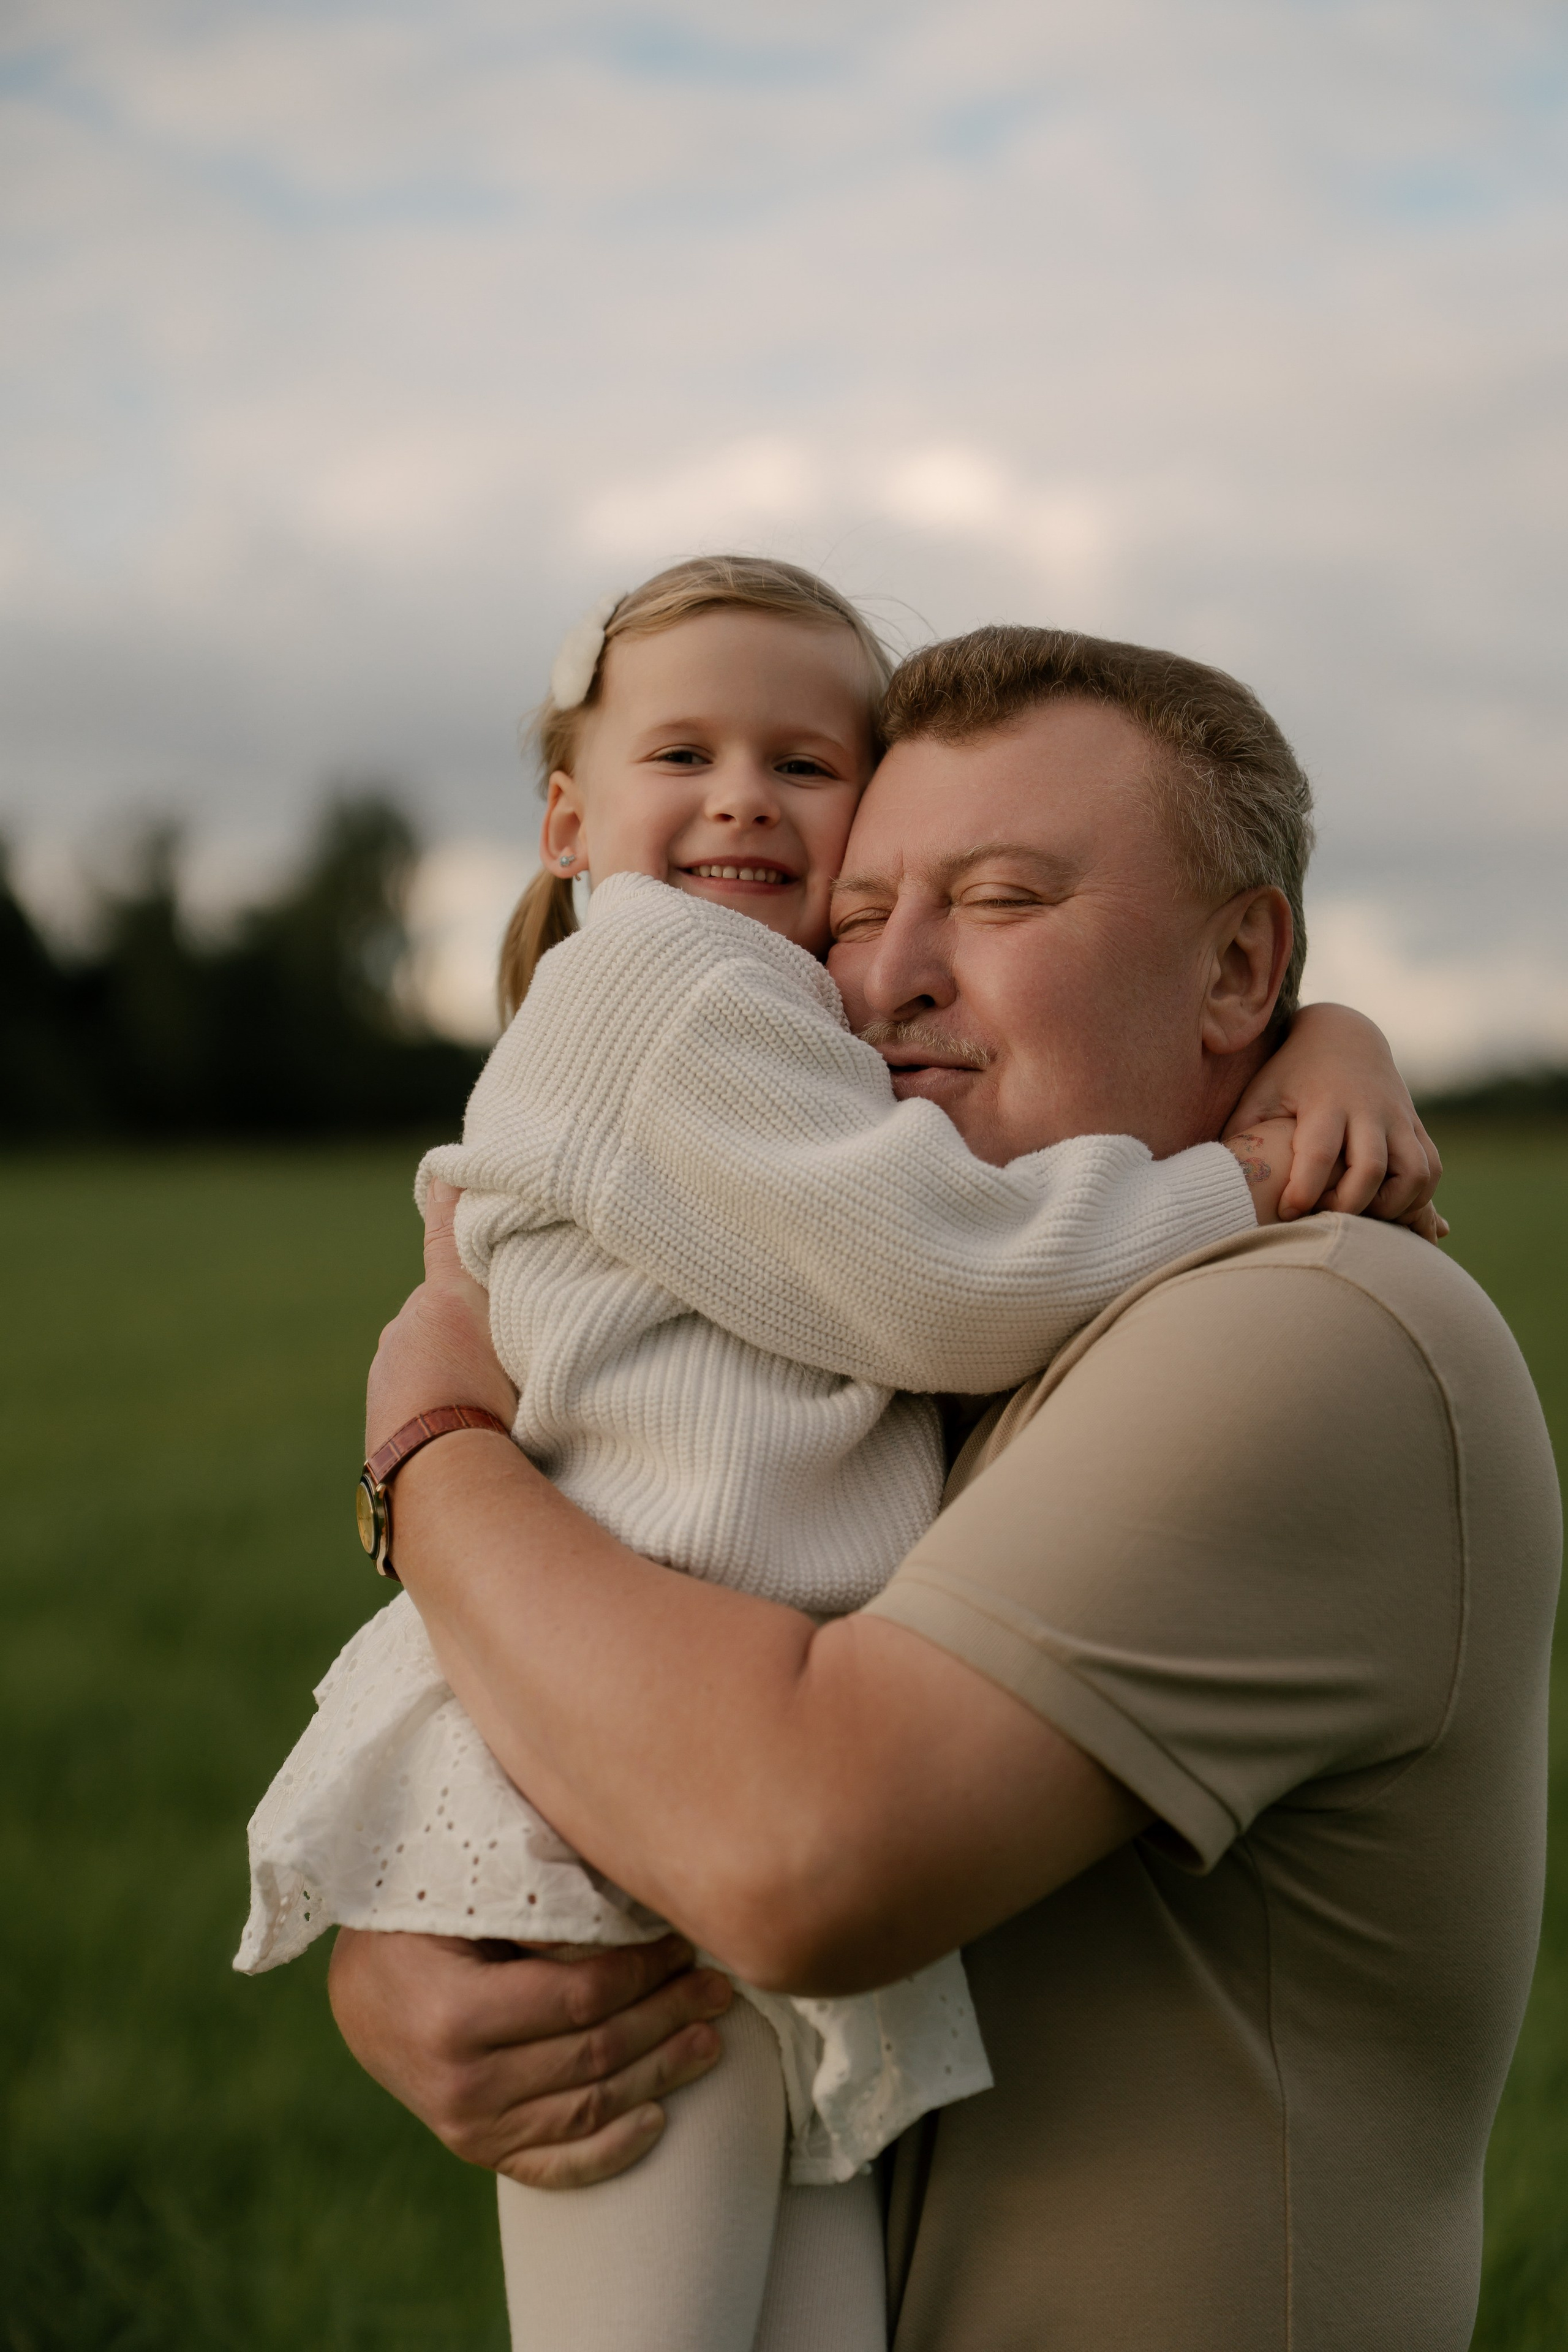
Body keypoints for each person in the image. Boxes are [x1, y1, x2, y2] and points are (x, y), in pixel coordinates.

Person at [330, 621, 1558, 2351]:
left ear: (1236, 972)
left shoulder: (1323, 1327)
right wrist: (446, 1935)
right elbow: (641, 1704)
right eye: (849, 913)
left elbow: (794, 1853)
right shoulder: (912, 1351)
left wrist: (432, 1454)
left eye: (999, 901)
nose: (882, 979)